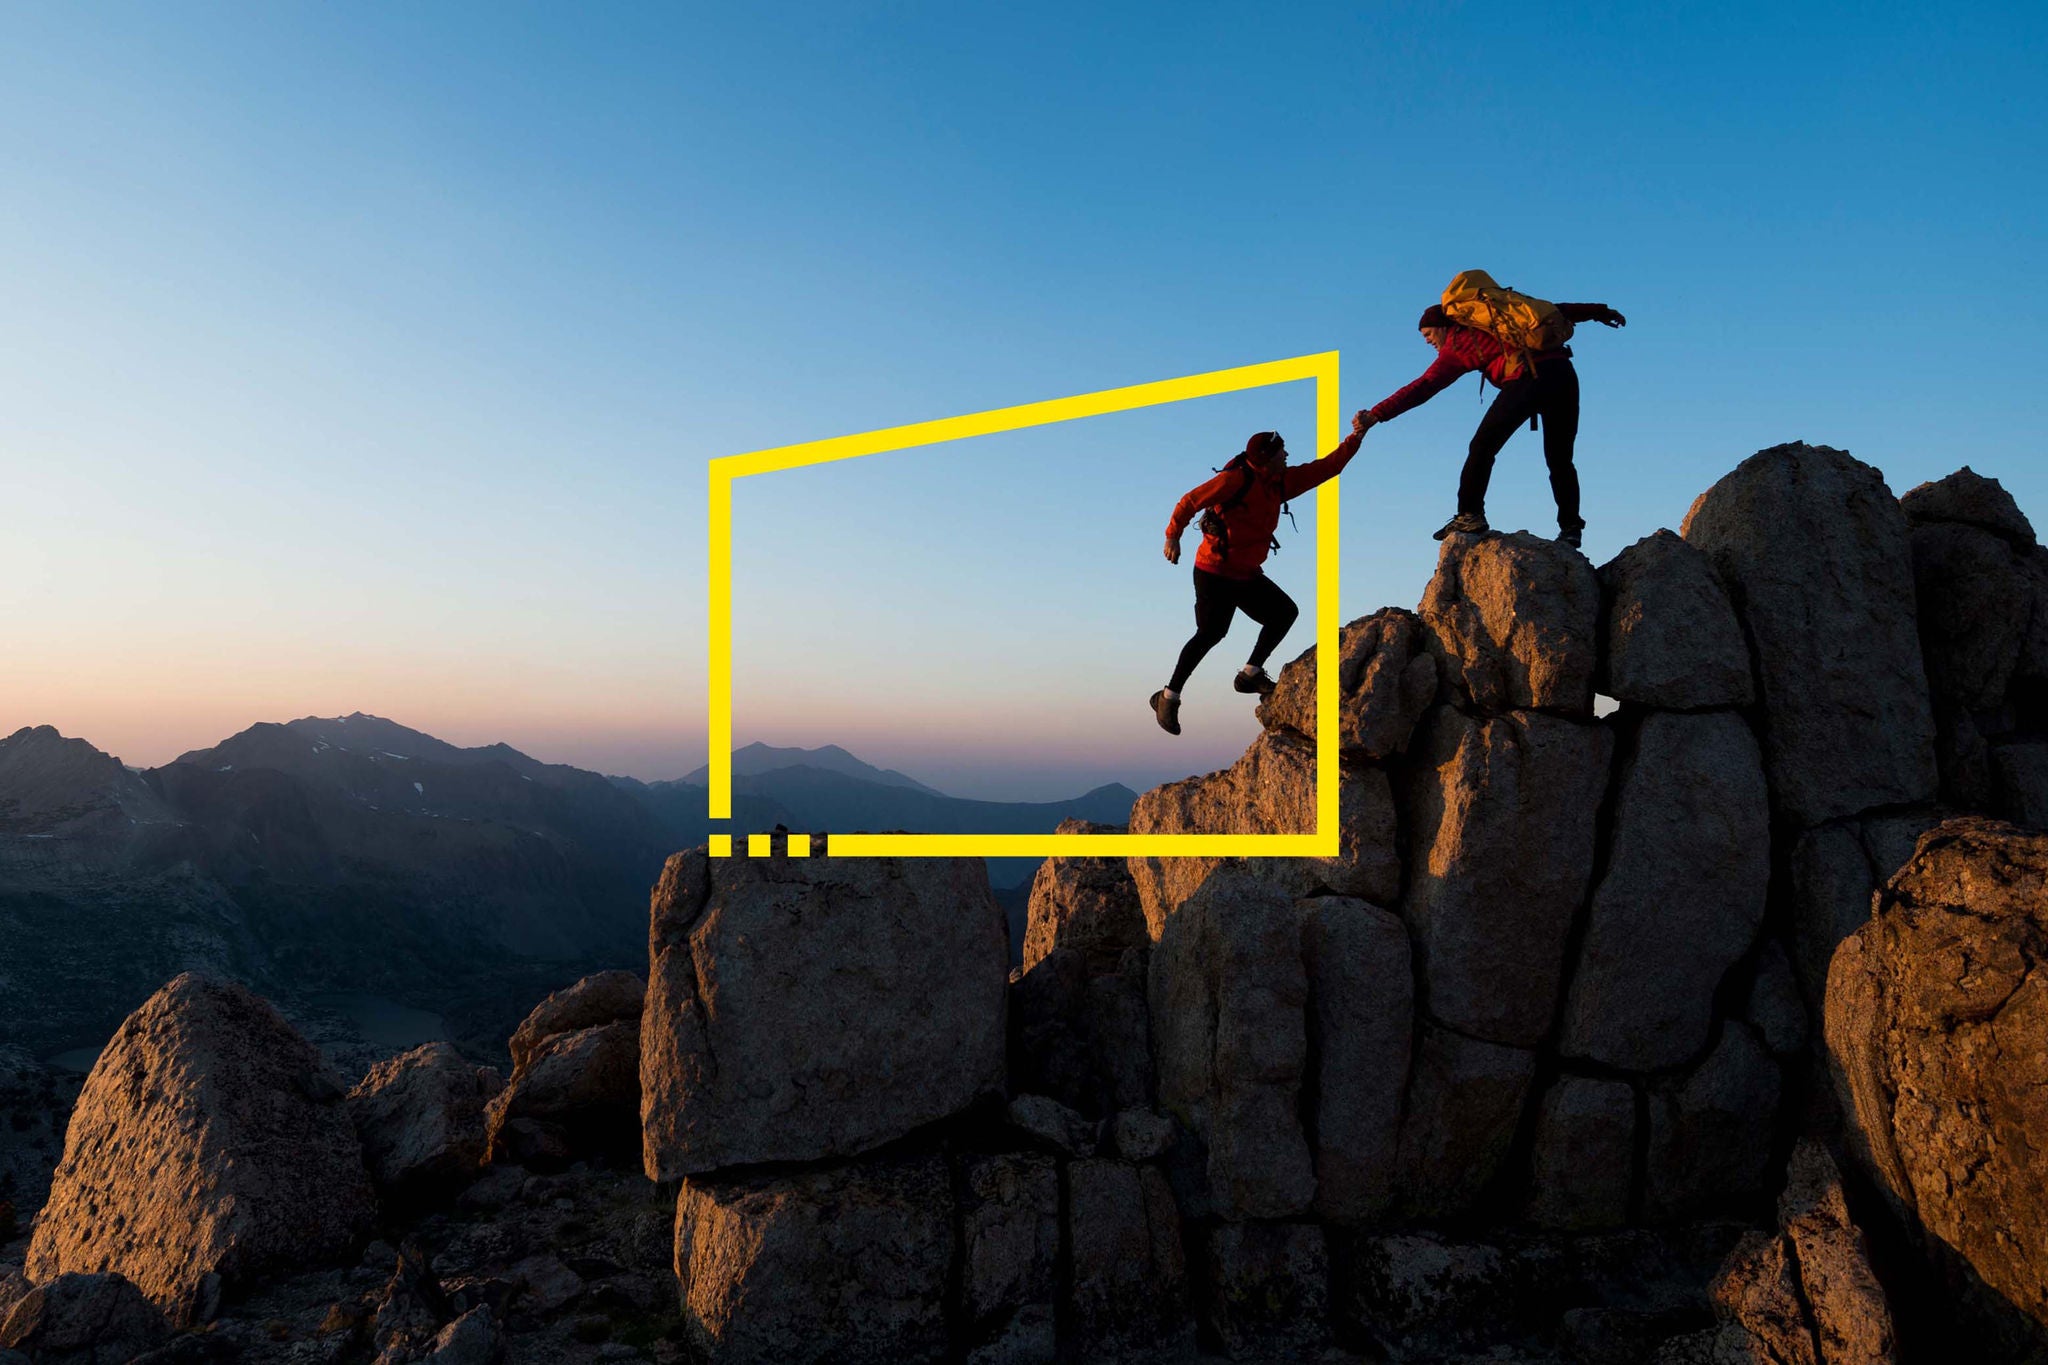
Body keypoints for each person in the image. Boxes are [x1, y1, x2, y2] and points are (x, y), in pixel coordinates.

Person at [1150, 414, 1373, 735]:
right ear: (1267, 459)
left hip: (1246, 574)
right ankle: (1168, 697)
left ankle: (1250, 675)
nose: (1287, 455)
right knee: (1211, 634)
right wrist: (1173, 535)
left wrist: (1356, 437)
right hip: (1214, 572)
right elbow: (1190, 501)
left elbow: (1327, 467)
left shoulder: (1280, 482)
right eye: (1282, 452)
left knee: (1283, 613)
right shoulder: (1235, 481)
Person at [1358, 297, 1625, 548]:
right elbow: (1557, 310)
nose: (1428, 342)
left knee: (1482, 447)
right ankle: (1571, 528)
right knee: (1560, 459)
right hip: (1564, 376)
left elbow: (1424, 386)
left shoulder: (1458, 344)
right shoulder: (1500, 321)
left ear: (1443, 327)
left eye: (1428, 334)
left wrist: (1376, 414)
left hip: (1528, 379)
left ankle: (1470, 514)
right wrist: (1601, 312)